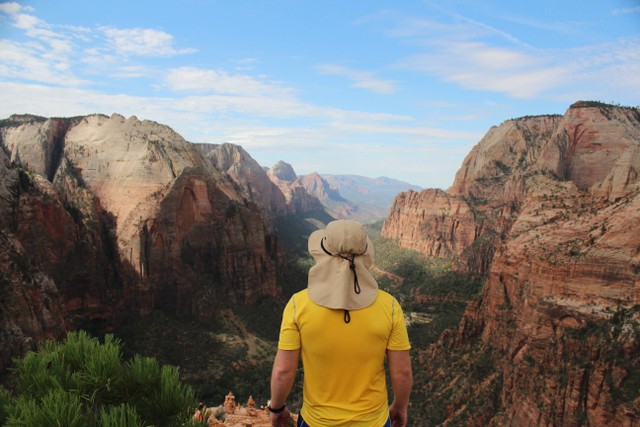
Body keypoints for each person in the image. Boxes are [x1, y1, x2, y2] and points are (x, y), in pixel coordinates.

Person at [269, 220, 413, 427]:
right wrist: (400, 407)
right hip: (373, 422)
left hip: (316, 422)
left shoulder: (297, 305)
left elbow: (283, 370)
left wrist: (277, 408)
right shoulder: (389, 307)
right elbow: (402, 372)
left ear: (323, 253)